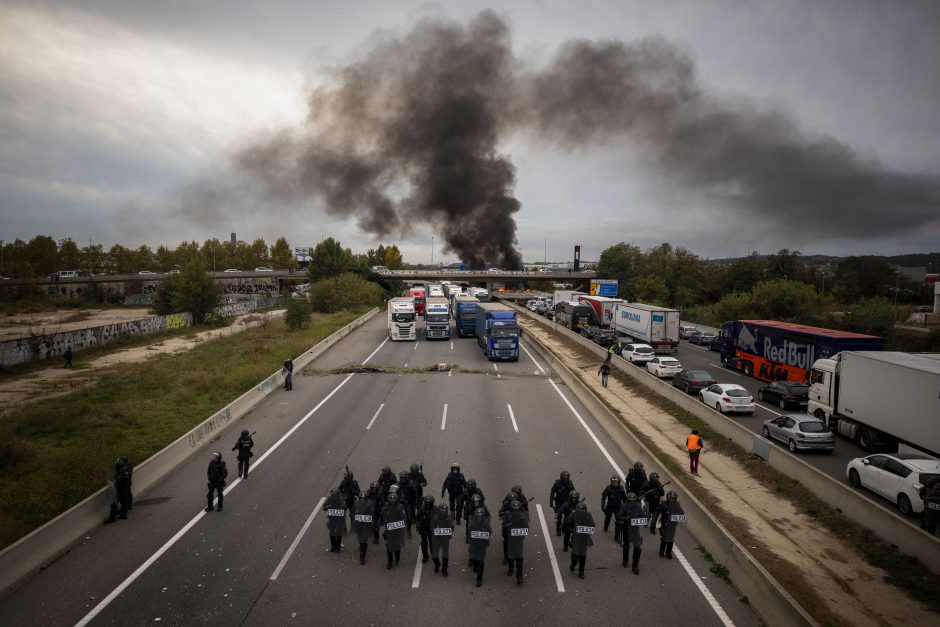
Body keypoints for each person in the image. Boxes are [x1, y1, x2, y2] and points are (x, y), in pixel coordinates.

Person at [618, 492, 647, 574]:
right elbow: (618, 516)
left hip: (635, 531)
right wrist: (626, 518)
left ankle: (635, 566)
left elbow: (643, 516)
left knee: (638, 548)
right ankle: (625, 560)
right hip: (626, 530)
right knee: (626, 546)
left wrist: (644, 520)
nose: (632, 502)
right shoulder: (624, 506)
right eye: (630, 501)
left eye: (633, 501)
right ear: (627, 501)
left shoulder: (638, 507)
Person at [565, 502, 595, 578]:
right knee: (575, 554)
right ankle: (572, 565)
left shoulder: (588, 515)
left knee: (582, 555)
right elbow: (567, 525)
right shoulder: (573, 515)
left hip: (584, 538)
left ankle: (581, 572)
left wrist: (587, 530)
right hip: (575, 537)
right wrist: (574, 531)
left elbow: (592, 526)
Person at [651, 491, 685, 559]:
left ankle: (668, 552)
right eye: (671, 498)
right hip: (664, 524)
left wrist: (680, 516)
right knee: (664, 538)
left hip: (673, 524)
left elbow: (681, 513)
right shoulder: (663, 504)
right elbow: (656, 512)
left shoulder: (677, 504)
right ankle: (661, 551)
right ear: (668, 498)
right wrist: (653, 523)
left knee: (671, 539)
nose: (672, 500)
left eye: (673, 498)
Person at [503, 500, 529, 586]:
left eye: (517, 508)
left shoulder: (522, 515)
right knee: (510, 555)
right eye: (514, 508)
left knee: (519, 557)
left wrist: (522, 523)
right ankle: (511, 568)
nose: (516, 510)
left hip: (518, 539)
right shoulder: (507, 514)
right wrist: (510, 524)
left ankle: (519, 576)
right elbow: (504, 525)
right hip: (511, 538)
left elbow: (526, 526)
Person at [380, 490, 408, 569]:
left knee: (397, 545)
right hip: (389, 529)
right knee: (389, 546)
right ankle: (390, 562)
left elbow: (403, 518)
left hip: (397, 529)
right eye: (391, 500)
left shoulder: (400, 507)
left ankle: (397, 556)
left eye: (394, 501)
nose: (392, 502)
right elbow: (382, 515)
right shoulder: (385, 506)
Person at [467, 507, 492, 587]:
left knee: (481, 562)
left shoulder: (486, 523)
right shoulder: (472, 522)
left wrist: (484, 533)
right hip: (474, 543)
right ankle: (475, 565)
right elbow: (469, 532)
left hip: (482, 544)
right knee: (473, 559)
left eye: (481, 516)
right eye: (478, 516)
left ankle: (479, 579)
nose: (479, 517)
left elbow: (489, 531)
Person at [430, 503, 455, 576]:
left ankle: (444, 570)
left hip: (445, 539)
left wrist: (449, 527)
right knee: (434, 554)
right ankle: (437, 564)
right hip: (437, 539)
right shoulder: (435, 518)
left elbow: (452, 528)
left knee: (445, 554)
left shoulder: (449, 518)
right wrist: (435, 531)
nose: (443, 512)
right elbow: (431, 527)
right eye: (442, 511)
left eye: (445, 511)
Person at [105, 457, 133, 523]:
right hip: (126, 488)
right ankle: (124, 515)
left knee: (114, 504)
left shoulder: (120, 474)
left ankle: (112, 519)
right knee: (124, 502)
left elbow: (117, 483)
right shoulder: (126, 470)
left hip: (121, 490)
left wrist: (113, 482)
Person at [600, 475, 626, 541]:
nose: (615, 483)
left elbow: (624, 499)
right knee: (608, 518)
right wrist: (602, 506)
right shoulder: (608, 488)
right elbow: (603, 497)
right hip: (610, 506)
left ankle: (617, 537)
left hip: (618, 507)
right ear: (611, 482)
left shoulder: (621, 489)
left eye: (617, 482)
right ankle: (606, 526)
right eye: (614, 482)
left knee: (619, 522)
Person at [351, 493, 375, 565]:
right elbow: (352, 511)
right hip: (358, 525)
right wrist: (354, 516)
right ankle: (361, 546)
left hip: (366, 525)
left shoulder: (369, 504)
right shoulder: (356, 503)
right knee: (360, 538)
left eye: (364, 498)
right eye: (361, 498)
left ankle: (362, 557)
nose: (362, 499)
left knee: (364, 541)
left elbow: (372, 513)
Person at [324, 488, 347, 553]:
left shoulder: (341, 499)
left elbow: (344, 507)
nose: (333, 496)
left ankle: (338, 547)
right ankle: (333, 547)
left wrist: (337, 507)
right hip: (332, 519)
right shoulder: (329, 499)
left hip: (340, 519)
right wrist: (330, 506)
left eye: (335, 495)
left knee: (339, 532)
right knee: (331, 532)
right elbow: (324, 507)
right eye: (332, 495)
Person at [416, 495, 436, 563]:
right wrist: (417, 525)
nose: (428, 505)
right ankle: (425, 556)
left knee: (432, 543)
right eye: (426, 503)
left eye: (429, 503)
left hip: (432, 529)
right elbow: (417, 518)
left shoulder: (435, 509)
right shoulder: (422, 509)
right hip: (423, 529)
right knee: (423, 543)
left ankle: (433, 553)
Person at [398, 471, 417, 537]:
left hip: (409, 504)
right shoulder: (397, 484)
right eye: (402, 478)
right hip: (400, 504)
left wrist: (415, 503)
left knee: (409, 519)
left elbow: (415, 494)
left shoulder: (411, 484)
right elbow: (393, 494)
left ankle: (408, 530)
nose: (403, 479)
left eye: (404, 478)